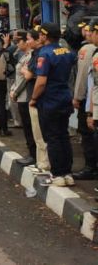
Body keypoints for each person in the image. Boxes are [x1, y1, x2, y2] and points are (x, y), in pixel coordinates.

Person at [30, 22, 76, 187]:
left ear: (44, 35)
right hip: (64, 97)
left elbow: (41, 82)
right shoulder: (67, 51)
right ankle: (67, 173)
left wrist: (34, 98)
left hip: (49, 100)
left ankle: (57, 174)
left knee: (53, 138)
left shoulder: (45, 53)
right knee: (63, 136)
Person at [71, 22, 98, 180]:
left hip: (91, 102)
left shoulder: (87, 50)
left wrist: (77, 97)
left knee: (87, 135)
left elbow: (84, 79)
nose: (87, 33)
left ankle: (90, 167)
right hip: (91, 100)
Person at [10, 29, 40, 166]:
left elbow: (25, 79)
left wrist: (15, 92)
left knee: (29, 128)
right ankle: (31, 154)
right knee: (27, 128)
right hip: (21, 95)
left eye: (20, 41)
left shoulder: (30, 57)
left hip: (24, 96)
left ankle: (33, 155)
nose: (17, 44)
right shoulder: (24, 55)